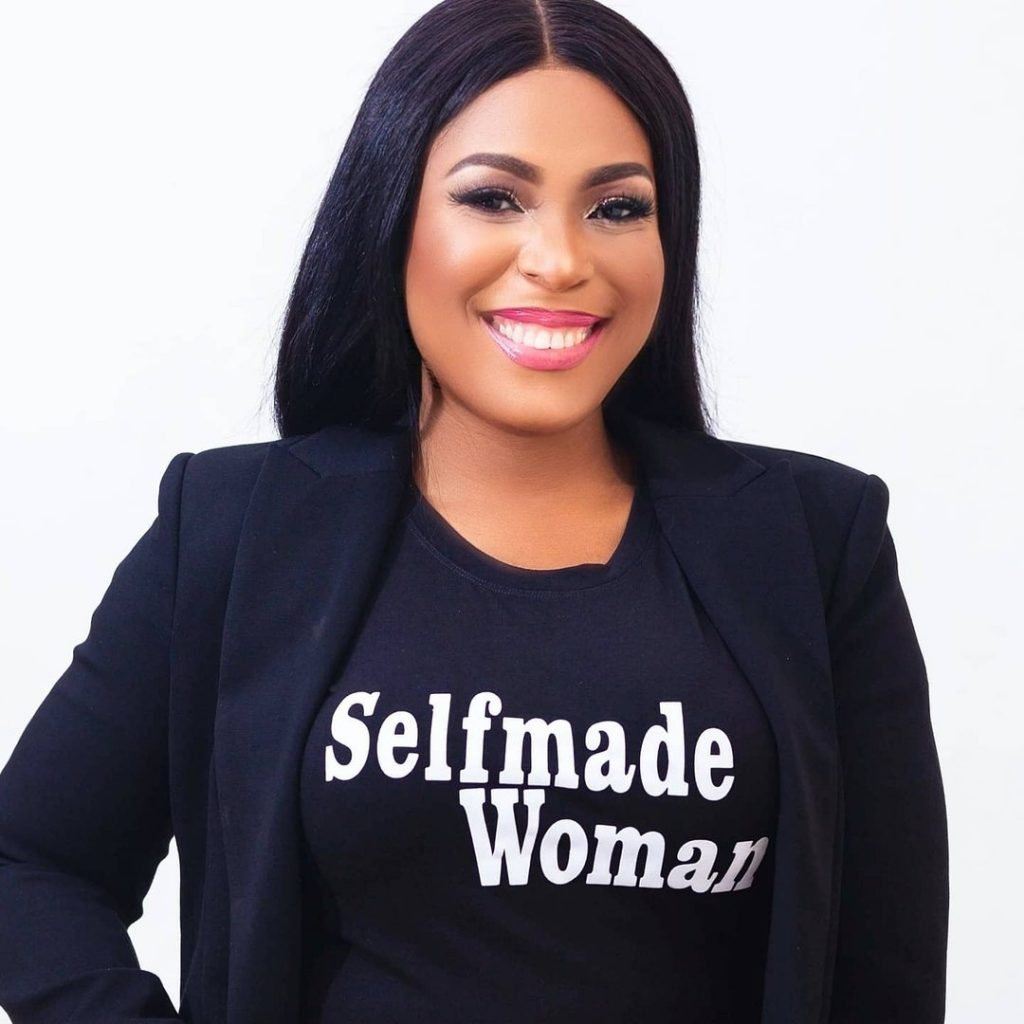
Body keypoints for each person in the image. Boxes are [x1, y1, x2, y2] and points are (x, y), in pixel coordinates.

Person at [0, 1, 949, 1022]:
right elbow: (30, 862)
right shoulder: (233, 531)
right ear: (391, 220)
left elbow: (883, 977)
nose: (560, 259)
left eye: (617, 207)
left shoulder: (815, 543)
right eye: (494, 198)